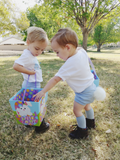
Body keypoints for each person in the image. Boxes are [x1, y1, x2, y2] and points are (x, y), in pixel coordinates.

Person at [33, 28, 106, 139]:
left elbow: (55, 79)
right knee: (87, 106)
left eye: (57, 52)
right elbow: (80, 47)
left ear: (68, 47)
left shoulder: (70, 63)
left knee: (76, 110)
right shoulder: (81, 52)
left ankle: (82, 132)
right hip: (92, 87)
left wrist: (43, 91)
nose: (57, 55)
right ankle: (91, 123)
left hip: (83, 93)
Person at [13, 26, 50, 133]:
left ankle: (29, 121)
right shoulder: (27, 55)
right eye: (37, 48)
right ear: (28, 42)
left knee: (30, 103)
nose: (39, 52)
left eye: (42, 50)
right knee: (35, 104)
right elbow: (16, 66)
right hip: (31, 85)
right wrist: (30, 72)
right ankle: (40, 126)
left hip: (33, 84)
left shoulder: (30, 54)